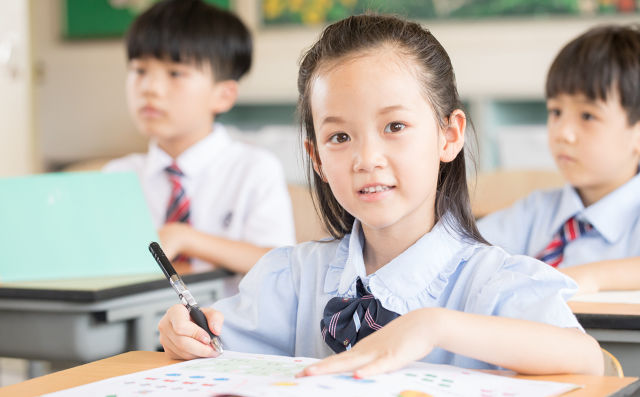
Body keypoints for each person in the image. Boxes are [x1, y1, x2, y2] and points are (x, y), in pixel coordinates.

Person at [158, 14, 603, 375]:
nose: (367, 158)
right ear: (315, 158)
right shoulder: (292, 278)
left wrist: (435, 326)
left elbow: (587, 359)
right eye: (339, 137)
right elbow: (214, 346)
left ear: (449, 136)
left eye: (394, 127)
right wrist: (181, 332)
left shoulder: (493, 281)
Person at [104, 0, 296, 274]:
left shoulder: (254, 169)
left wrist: (186, 238)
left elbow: (281, 263)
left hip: (230, 317)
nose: (150, 88)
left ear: (223, 95)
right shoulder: (117, 177)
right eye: (139, 70)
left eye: (175, 73)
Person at [478, 24, 640, 294]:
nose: (562, 133)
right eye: (555, 111)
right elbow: (459, 249)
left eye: (587, 116)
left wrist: (587, 277)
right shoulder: (537, 211)